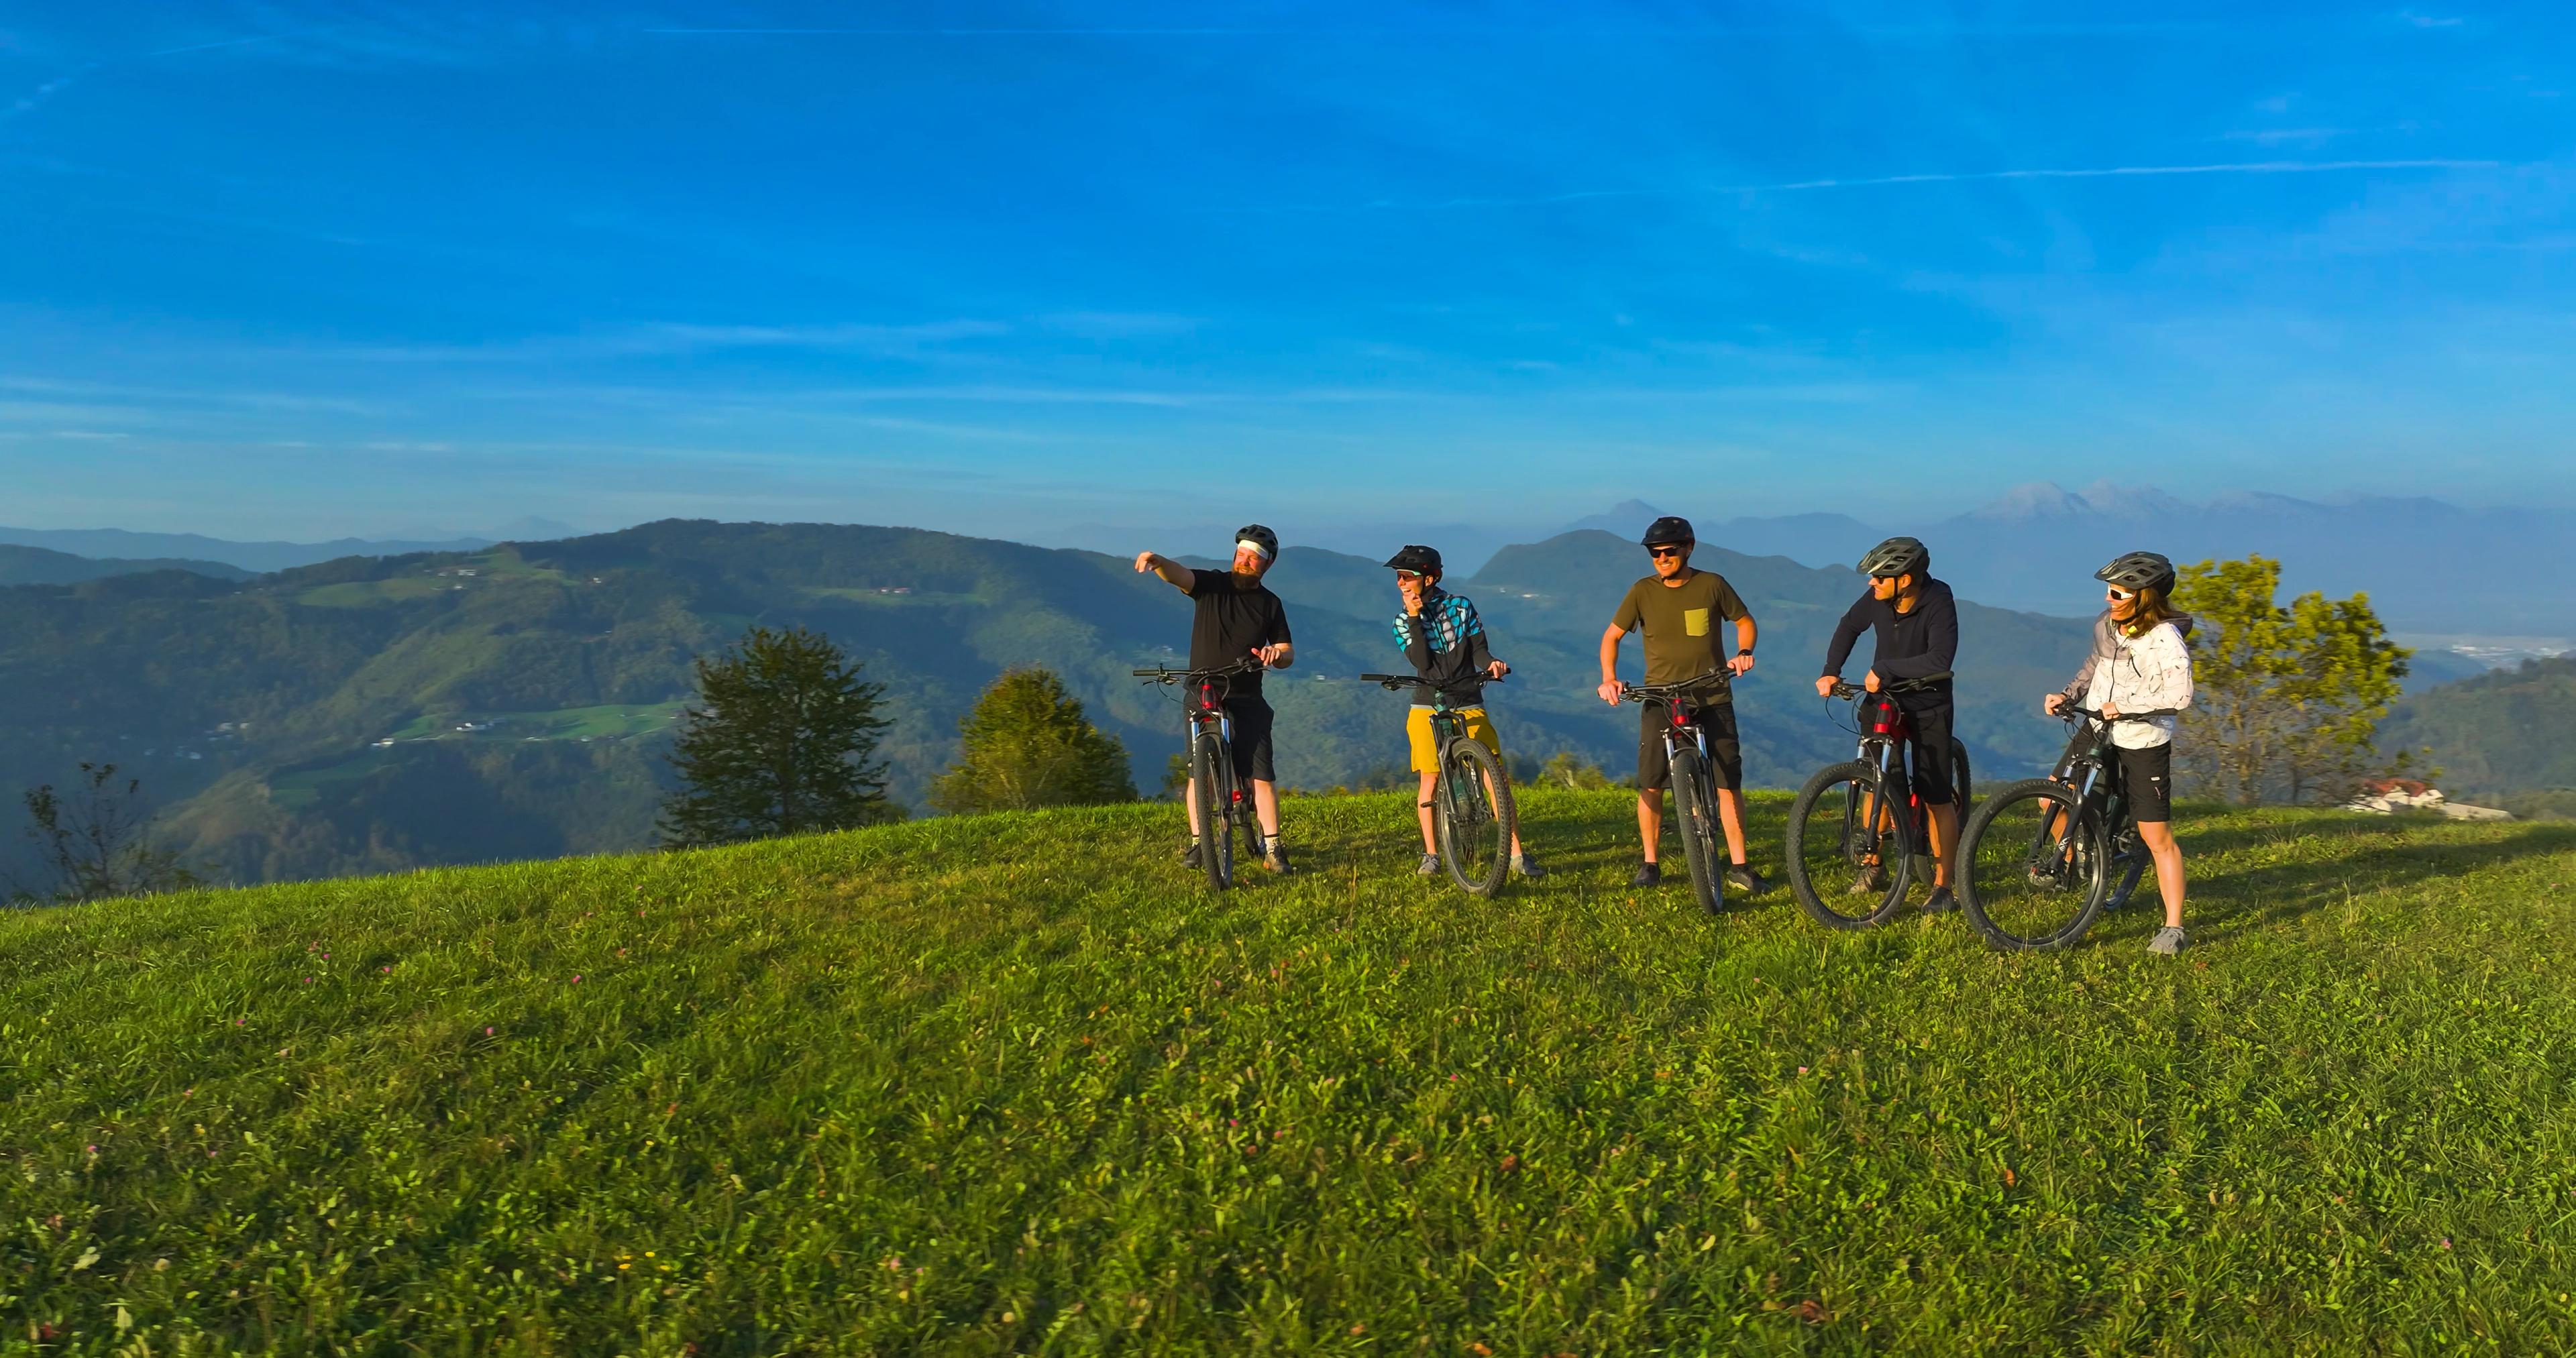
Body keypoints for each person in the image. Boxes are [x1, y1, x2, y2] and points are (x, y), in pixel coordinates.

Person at [1596, 515, 1768, 893]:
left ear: (1689, 548)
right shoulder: (1642, 591)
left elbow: (1745, 621)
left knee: (1728, 782)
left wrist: (1743, 653)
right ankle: (1650, 863)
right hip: (1660, 697)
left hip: (1712, 694)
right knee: (1651, 783)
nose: (1661, 558)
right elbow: (1612, 636)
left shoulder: (1712, 585)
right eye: (1654, 553)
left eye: (1669, 551)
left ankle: (1740, 865)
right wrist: (1609, 678)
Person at [2043, 550, 2195, 954]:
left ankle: (2173, 927)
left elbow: (2179, 694)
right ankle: (2083, 866)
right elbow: (2096, 665)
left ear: (2142, 596)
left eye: (2117, 592)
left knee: (2157, 837)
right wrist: (2068, 694)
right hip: (2097, 726)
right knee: (2051, 798)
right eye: (2109, 591)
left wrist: (2127, 707)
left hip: (2143, 741)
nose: (2108, 598)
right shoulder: (2111, 626)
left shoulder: (2164, 637)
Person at [1134, 524, 1295, 873]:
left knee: (1261, 775)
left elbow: (1286, 650)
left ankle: (1274, 847)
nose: (1245, 560)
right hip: (1202, 689)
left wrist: (1274, 656)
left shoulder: (1270, 603)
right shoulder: (1212, 585)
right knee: (1198, 774)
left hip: (1247, 693)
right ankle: (1198, 842)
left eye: (1255, 557)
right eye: (1241, 554)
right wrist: (1159, 561)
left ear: (1266, 565)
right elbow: (1181, 577)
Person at [1817, 536, 1963, 912]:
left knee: (1936, 796)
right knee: (1876, 781)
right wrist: (1831, 672)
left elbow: (1940, 658)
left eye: (1880, 578)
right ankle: (1874, 863)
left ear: (1907, 579)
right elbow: (1849, 626)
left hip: (1929, 703)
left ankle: (1945, 886)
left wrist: (1884, 668)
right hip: (1884, 701)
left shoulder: (1939, 601)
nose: (1872, 583)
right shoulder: (1879, 599)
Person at [1383, 545, 1543, 879]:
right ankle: (1431, 854)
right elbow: (1423, 663)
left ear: (1429, 578)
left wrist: (1493, 664)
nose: (1401, 583)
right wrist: (1414, 618)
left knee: (1494, 774)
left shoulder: (1461, 606)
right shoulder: (1400, 621)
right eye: (1398, 577)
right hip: (1427, 702)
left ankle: (1517, 854)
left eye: (1406, 577)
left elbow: (1480, 650)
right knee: (1431, 778)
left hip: (1468, 697)